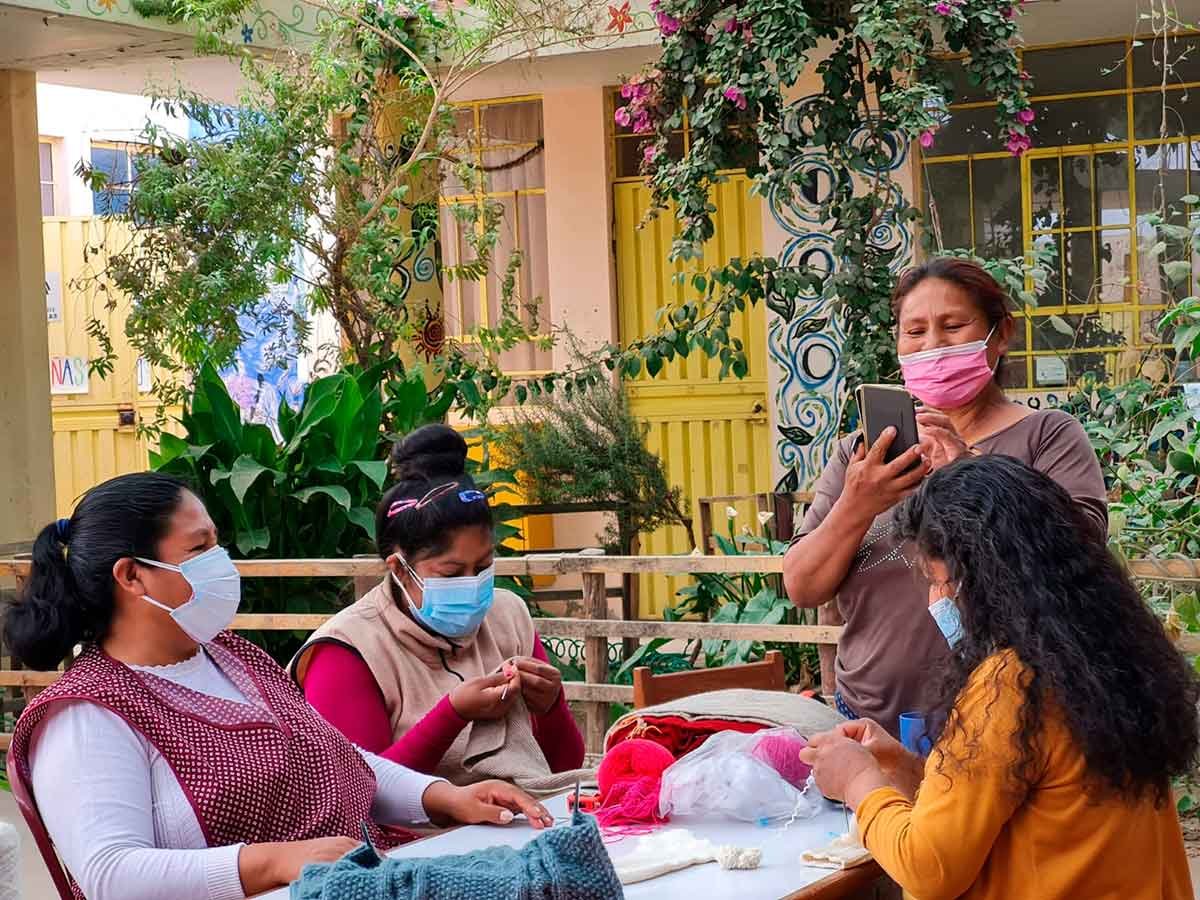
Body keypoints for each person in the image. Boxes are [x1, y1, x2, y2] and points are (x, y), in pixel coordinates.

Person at [6, 472, 551, 900]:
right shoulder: (88, 714)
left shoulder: (235, 658)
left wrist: (444, 798)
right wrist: (278, 860)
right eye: (199, 551)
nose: (221, 563)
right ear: (131, 576)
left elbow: (335, 757)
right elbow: (112, 874)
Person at [799, 455, 1198, 900]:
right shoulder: (1109, 651)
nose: (936, 599)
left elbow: (929, 868)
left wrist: (858, 782)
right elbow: (1022, 803)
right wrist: (903, 767)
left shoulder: (1011, 684)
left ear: (983, 578)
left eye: (938, 581)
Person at [783, 257, 1107, 736]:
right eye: (914, 332)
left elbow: (1078, 562)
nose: (932, 345)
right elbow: (803, 586)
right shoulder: (863, 455)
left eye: (953, 326)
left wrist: (967, 476)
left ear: (1000, 334)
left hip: (1004, 730)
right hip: (867, 724)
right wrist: (857, 503)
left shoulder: (1048, 437)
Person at [292, 425, 585, 785]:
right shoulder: (348, 651)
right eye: (451, 574)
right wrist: (452, 715)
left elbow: (562, 767)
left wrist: (552, 706)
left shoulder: (506, 616)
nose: (473, 585)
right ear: (399, 568)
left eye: (483, 567)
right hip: (417, 841)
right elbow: (360, 790)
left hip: (523, 819)